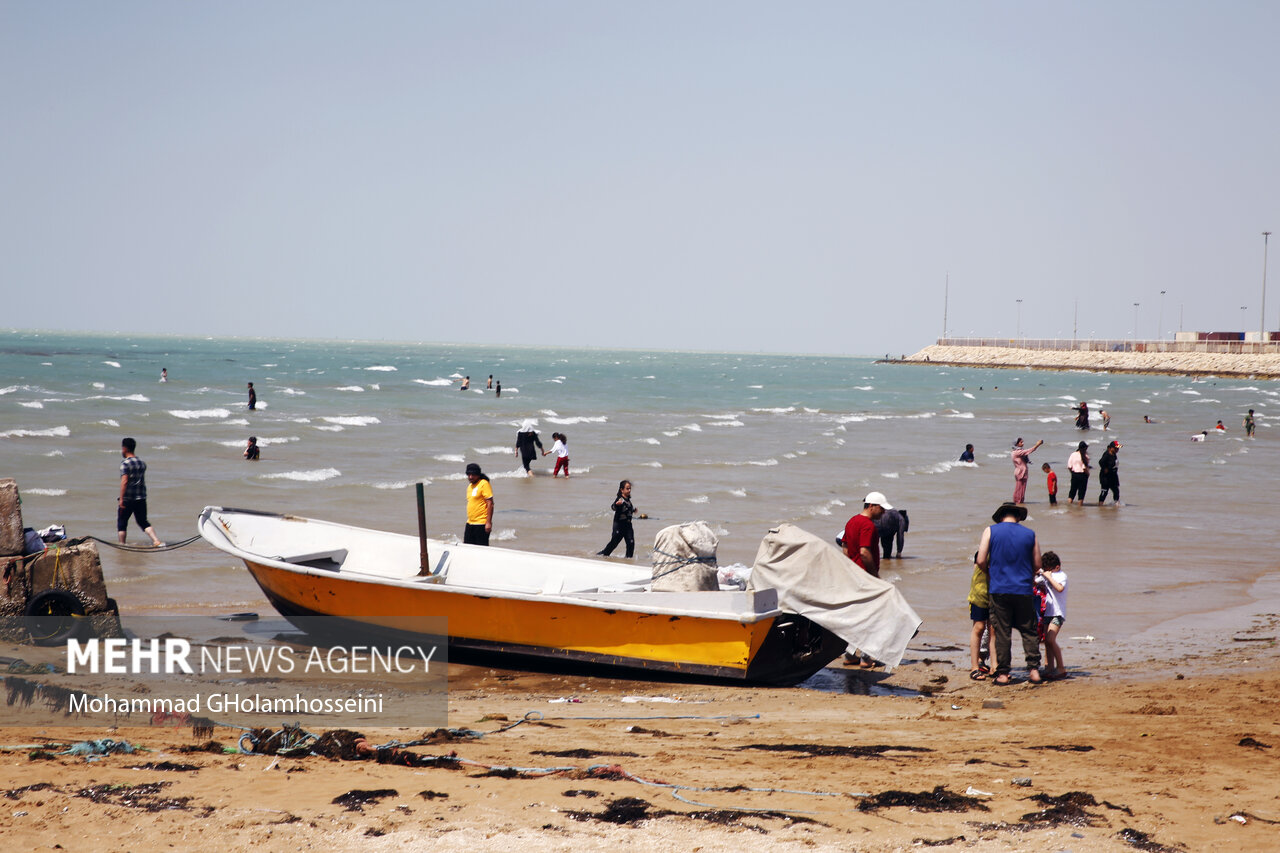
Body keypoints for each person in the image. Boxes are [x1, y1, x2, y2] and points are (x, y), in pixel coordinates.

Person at [976, 502, 1043, 685]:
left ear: (1000, 517)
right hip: (1023, 589)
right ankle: (1034, 671)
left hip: (999, 589)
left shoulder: (990, 531)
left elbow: (981, 559)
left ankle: (1003, 674)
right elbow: (1037, 564)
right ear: (1018, 517)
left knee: (1002, 632)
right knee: (1029, 631)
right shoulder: (1030, 534)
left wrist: (990, 573)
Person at [117, 438, 164, 547]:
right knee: (143, 522)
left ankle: (121, 545)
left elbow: (124, 482)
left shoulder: (125, 464)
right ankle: (156, 540)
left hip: (128, 499)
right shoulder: (142, 463)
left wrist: (122, 499)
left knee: (122, 524)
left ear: (124, 448)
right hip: (141, 498)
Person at [1037, 551, 1069, 681]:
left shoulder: (1061, 576)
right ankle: (1049, 668)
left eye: (1050, 569)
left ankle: (1060, 667)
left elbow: (1059, 588)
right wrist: (1038, 573)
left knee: (1050, 639)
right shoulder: (1046, 575)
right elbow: (1034, 582)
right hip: (1048, 612)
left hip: (1058, 613)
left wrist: (1049, 577)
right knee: (1046, 642)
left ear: (1057, 566)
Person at [843, 491, 890, 579]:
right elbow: (864, 552)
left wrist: (850, 566)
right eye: (881, 508)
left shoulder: (852, 521)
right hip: (865, 575)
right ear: (871, 506)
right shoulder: (868, 525)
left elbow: (845, 546)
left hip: (853, 573)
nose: (883, 512)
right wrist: (875, 575)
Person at [598, 480, 637, 558]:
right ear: (622, 490)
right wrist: (616, 505)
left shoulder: (628, 500)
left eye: (630, 489)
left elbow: (627, 510)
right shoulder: (620, 499)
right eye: (627, 488)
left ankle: (628, 559)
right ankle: (603, 554)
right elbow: (613, 507)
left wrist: (633, 510)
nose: (629, 490)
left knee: (631, 543)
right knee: (614, 543)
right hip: (619, 525)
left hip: (628, 526)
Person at [968, 554, 991, 680]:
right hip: (979, 597)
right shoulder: (982, 556)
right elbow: (979, 562)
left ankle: (992, 664)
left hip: (994, 595)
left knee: (993, 629)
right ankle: (975, 665)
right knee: (980, 627)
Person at [463, 463, 493, 546]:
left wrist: (488, 522)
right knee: (467, 548)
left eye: (473, 474)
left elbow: (490, 503)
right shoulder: (470, 486)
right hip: (470, 523)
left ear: (478, 474)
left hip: (481, 523)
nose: (470, 477)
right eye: (469, 474)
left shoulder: (484, 483)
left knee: (481, 549)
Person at [1011, 437, 1043, 504]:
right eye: (1021, 442)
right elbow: (1029, 451)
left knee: (1021, 489)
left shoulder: (1018, 451)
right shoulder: (1016, 452)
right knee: (1019, 489)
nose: (1023, 443)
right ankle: (1018, 502)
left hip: (1022, 472)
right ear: (1016, 444)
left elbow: (1026, 453)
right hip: (1020, 472)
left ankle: (1020, 502)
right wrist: (1037, 445)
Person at [1066, 441, 1090, 506]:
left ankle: (1069, 507)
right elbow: (1084, 468)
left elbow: (1069, 466)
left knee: (1072, 492)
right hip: (1083, 475)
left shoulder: (1073, 454)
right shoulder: (1086, 456)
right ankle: (1080, 508)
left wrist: (1072, 473)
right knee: (1081, 493)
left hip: (1074, 474)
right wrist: (1088, 474)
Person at [1097, 440, 1121, 505]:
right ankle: (1100, 505)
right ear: (1111, 448)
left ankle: (1116, 505)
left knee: (1116, 491)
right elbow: (1101, 462)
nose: (1117, 449)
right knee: (1104, 491)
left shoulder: (1114, 454)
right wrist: (1105, 468)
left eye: (1118, 448)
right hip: (1106, 477)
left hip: (1113, 476)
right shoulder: (1107, 454)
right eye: (1116, 448)